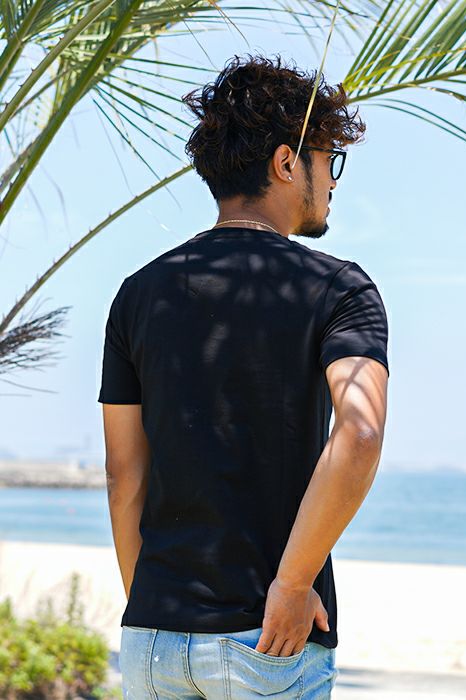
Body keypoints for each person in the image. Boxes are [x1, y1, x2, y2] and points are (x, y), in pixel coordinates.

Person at [98, 52, 389, 699]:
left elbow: (123, 475)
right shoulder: (339, 287)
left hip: (152, 638)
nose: (333, 181)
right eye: (329, 160)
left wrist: (151, 608)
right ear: (287, 162)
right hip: (266, 637)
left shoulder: (137, 293)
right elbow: (361, 432)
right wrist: (292, 584)